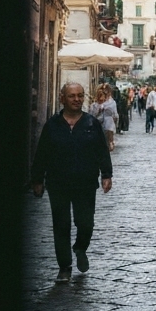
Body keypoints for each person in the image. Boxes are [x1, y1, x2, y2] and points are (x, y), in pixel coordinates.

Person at [31, 82, 113, 283]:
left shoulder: (91, 123)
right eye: (72, 96)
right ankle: (64, 267)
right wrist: (38, 179)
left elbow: (102, 151)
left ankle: (80, 247)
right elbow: (42, 154)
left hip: (85, 183)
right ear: (62, 99)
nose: (77, 99)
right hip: (58, 183)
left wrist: (106, 174)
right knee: (61, 224)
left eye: (80, 95)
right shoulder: (52, 125)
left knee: (86, 223)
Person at [90, 86, 118, 152]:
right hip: (98, 126)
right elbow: (91, 116)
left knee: (108, 142)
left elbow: (115, 115)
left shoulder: (111, 103)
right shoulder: (94, 105)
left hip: (108, 125)